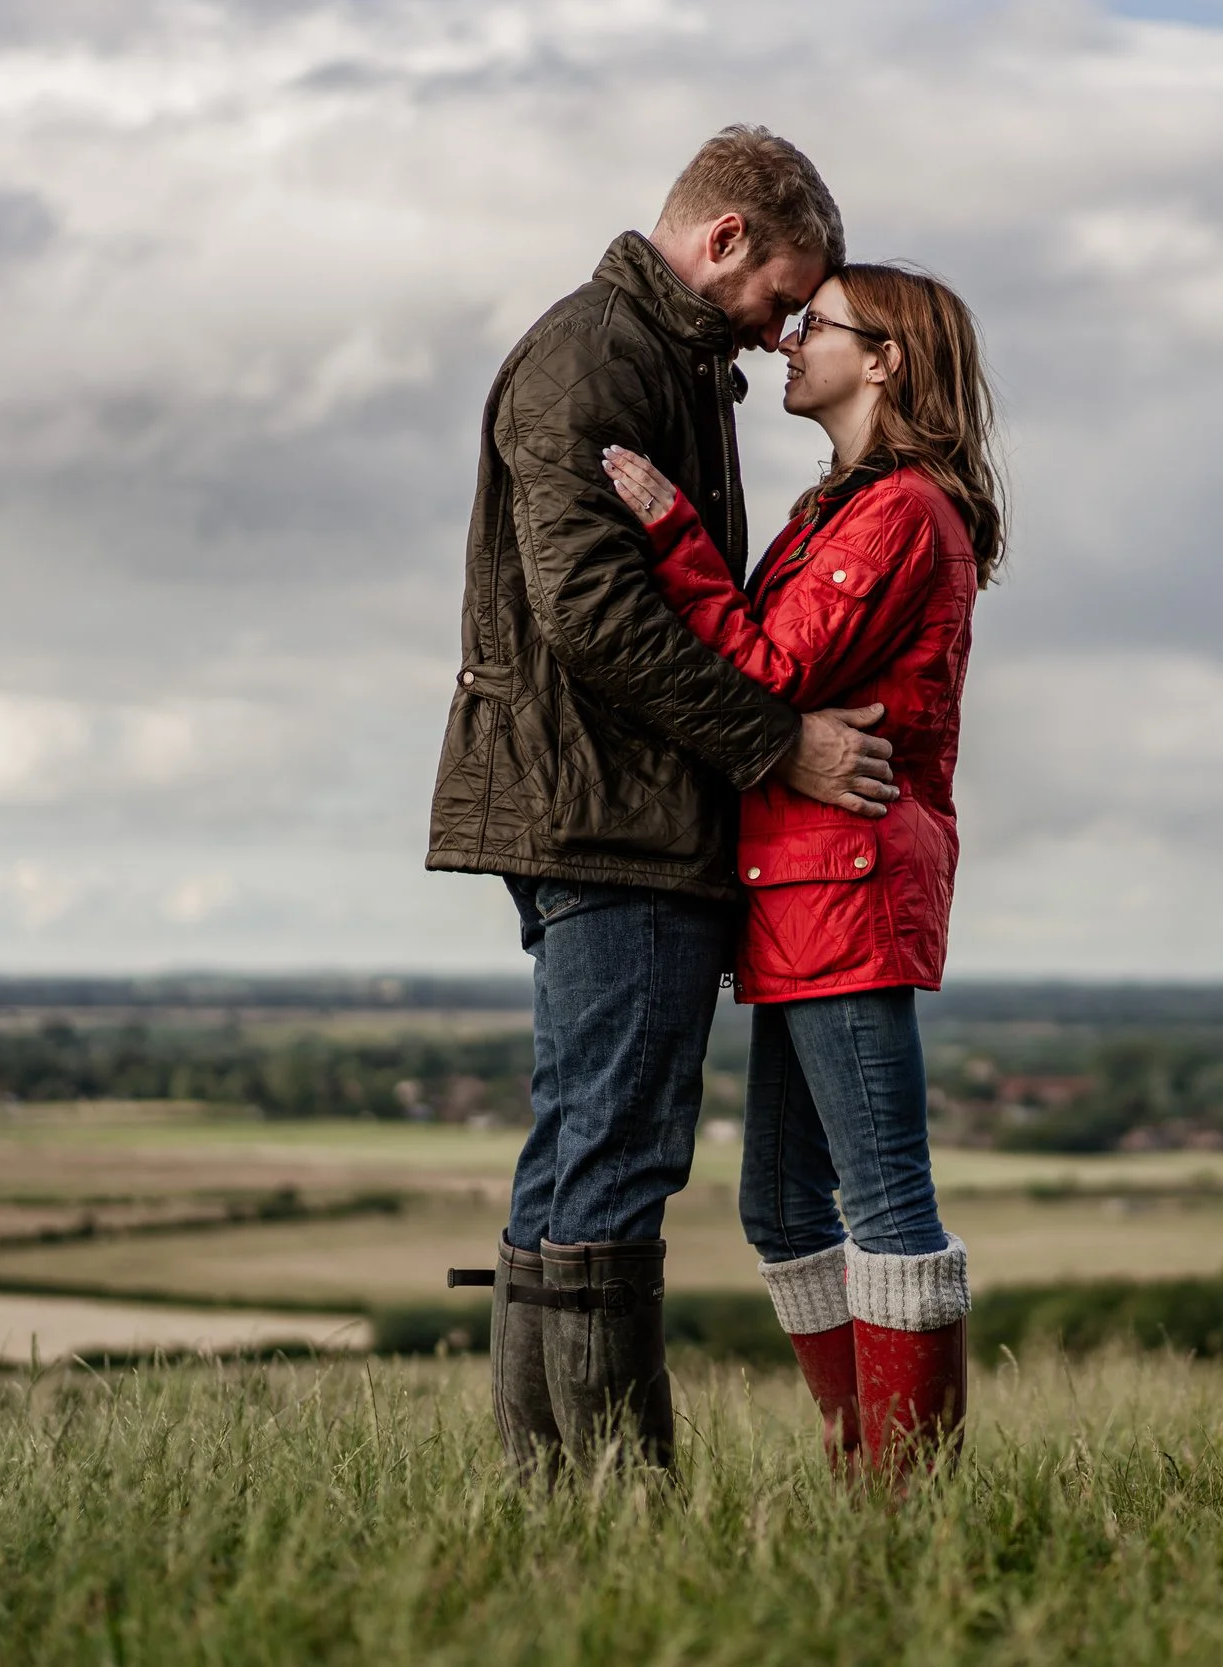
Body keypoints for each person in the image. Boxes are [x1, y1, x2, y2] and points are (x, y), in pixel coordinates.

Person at [425, 127, 901, 1479]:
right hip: (610, 815)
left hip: (618, 808)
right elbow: (591, 612)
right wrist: (777, 746)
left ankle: (548, 1489)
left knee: (580, 1145)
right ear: (726, 239)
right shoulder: (597, 357)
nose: (775, 331)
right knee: (619, 1157)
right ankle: (621, 1495)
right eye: (776, 296)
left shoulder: (664, 360)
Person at [602, 261, 1001, 1479]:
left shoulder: (900, 515)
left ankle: (907, 1493)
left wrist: (669, 532)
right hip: (796, 893)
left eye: (812, 325)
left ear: (883, 359)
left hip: (847, 890)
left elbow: (769, 668)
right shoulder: (834, 508)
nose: (786, 338)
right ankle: (856, 1456)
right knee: (780, 1208)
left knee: (883, 1202)